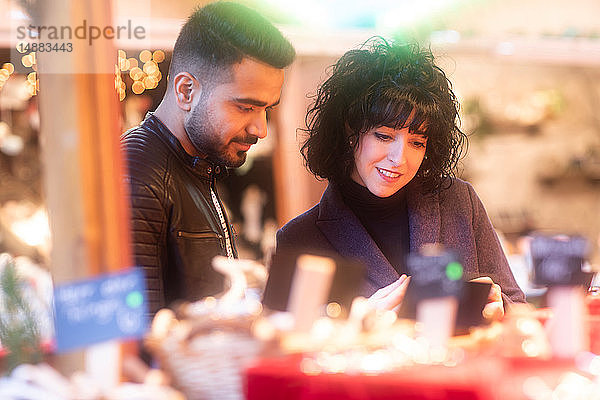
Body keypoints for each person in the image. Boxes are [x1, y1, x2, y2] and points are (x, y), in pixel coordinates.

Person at [275, 38, 525, 320]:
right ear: (349, 130)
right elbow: (286, 345)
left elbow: (518, 307)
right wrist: (354, 323)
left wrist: (500, 307)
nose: (399, 159)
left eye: (417, 142)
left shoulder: (459, 202)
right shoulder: (299, 237)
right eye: (384, 136)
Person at [121, 1, 295, 315]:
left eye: (266, 109)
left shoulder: (196, 165)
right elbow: (133, 335)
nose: (260, 129)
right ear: (186, 91)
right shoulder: (136, 170)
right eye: (246, 107)